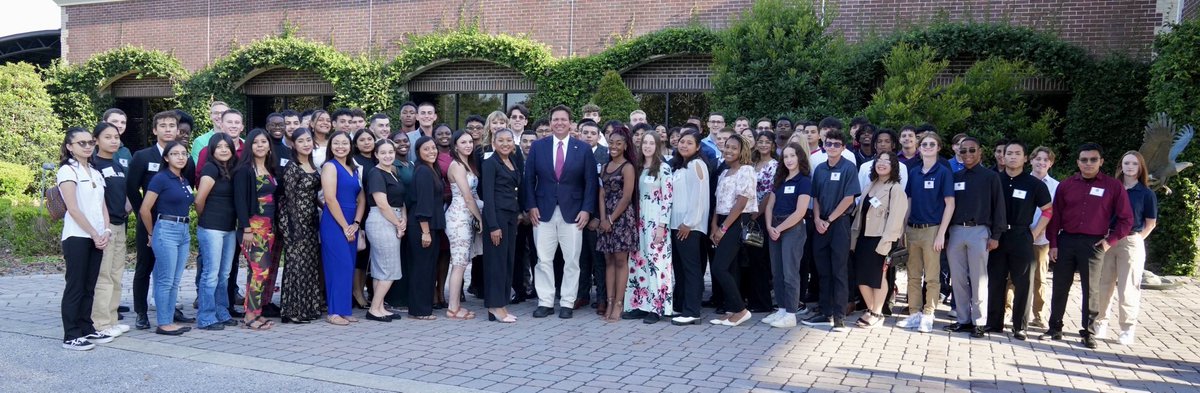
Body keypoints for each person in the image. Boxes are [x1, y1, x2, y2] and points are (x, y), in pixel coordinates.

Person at [1044, 142, 1135, 349]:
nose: (1088, 163)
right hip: (1066, 241)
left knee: (1091, 290)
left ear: (1101, 161)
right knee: (1059, 286)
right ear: (1078, 162)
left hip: (1094, 244)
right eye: (1084, 160)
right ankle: (1054, 327)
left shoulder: (1113, 186)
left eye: (1093, 159)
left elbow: (1126, 219)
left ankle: (1089, 332)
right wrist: (1053, 244)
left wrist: (1108, 242)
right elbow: (1055, 217)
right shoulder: (1066, 185)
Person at [523, 105, 600, 319]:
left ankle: (567, 302)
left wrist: (587, 210)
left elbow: (591, 183)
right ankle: (545, 302)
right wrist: (531, 206)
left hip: (574, 213)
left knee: (572, 260)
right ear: (550, 123)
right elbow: (528, 180)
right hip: (543, 212)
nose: (559, 123)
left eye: (563, 119)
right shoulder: (539, 147)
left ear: (570, 123)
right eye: (555, 119)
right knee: (543, 259)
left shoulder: (582, 148)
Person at [127, 111, 195, 330]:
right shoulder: (143, 156)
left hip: (176, 224)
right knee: (145, 267)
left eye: (172, 126)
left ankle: (169, 311)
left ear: (178, 130)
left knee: (170, 272)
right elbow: (131, 188)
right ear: (155, 130)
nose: (167, 129)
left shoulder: (186, 158)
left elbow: (187, 187)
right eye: (162, 125)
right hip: (150, 222)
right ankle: (141, 312)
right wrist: (144, 218)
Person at [984, 141, 1052, 340]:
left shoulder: (1035, 184)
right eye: (1009, 153)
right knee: (995, 280)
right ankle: (993, 323)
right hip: (997, 236)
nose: (1012, 157)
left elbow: (1048, 211)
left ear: (1025, 158)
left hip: (1022, 236)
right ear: (1002, 157)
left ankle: (1019, 327)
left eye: (1017, 153)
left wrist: (1034, 232)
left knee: (1024, 283)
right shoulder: (994, 179)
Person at [943, 137, 1006, 338]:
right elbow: (947, 206)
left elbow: (999, 207)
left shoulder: (990, 177)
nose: (968, 154)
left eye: (972, 150)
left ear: (980, 152)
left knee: (979, 278)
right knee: (958, 278)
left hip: (979, 231)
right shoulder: (955, 176)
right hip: (955, 232)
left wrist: (996, 234)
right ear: (958, 154)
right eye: (964, 151)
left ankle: (979, 322)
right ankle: (963, 320)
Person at [58, 127, 114, 350]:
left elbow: (102, 206)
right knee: (76, 285)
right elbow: (73, 208)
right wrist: (93, 232)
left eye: (90, 142)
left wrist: (106, 232)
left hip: (97, 236)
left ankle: (86, 328)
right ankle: (71, 334)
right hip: (78, 236)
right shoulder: (67, 171)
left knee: (90, 285)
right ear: (70, 147)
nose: (88, 146)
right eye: (81, 143)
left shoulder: (95, 171)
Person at [1093, 151, 1157, 345]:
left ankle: (1127, 328)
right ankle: (1100, 323)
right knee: (1103, 284)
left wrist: (1136, 240)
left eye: (1134, 164)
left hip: (1131, 242)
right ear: (1120, 166)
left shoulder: (1146, 194)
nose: (1130, 167)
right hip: (1108, 239)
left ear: (1140, 168)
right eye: (1126, 163)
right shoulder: (1111, 189)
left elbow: (1150, 223)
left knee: (1129, 287)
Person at [896, 132, 955, 333]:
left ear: (938, 148)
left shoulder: (944, 172)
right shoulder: (914, 172)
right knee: (913, 275)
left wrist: (941, 233)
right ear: (919, 149)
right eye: (924, 144)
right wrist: (903, 228)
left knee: (931, 277)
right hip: (913, 229)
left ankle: (928, 315)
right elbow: (909, 201)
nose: (928, 147)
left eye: (932, 144)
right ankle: (914, 314)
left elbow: (950, 204)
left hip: (933, 230)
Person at [801, 130, 859, 331]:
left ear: (843, 147)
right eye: (829, 143)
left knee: (839, 271)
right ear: (824, 146)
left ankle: (839, 317)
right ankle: (825, 313)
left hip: (839, 224)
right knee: (823, 271)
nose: (832, 147)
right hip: (820, 225)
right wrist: (817, 219)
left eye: (836, 144)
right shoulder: (820, 169)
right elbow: (815, 197)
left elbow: (849, 198)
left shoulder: (849, 168)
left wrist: (829, 219)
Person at [139, 141, 194, 336]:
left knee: (175, 279)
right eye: (175, 153)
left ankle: (169, 319)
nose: (180, 157)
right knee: (165, 279)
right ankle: (163, 323)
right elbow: (145, 209)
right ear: (166, 157)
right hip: (166, 230)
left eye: (183, 153)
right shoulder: (160, 178)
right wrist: (152, 233)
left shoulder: (184, 180)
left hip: (184, 230)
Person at [620, 132, 674, 324]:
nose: (648, 146)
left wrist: (662, 226)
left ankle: (656, 307)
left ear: (657, 146)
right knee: (638, 261)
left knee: (656, 264)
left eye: (652, 143)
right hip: (639, 222)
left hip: (656, 222)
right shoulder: (638, 168)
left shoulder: (664, 169)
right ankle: (639, 304)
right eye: (645, 143)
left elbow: (668, 200)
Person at [849, 151, 908, 328]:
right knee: (861, 277)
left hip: (881, 238)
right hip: (863, 237)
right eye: (879, 160)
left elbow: (896, 219)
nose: (881, 163)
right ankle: (871, 308)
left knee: (877, 276)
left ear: (893, 166)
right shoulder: (870, 185)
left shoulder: (895, 189)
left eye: (887, 161)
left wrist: (888, 241)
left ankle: (876, 312)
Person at [707, 134, 757, 326]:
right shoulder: (724, 173)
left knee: (719, 267)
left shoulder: (746, 171)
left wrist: (724, 228)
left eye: (733, 148)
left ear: (742, 151)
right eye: (727, 147)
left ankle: (742, 310)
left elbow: (741, 202)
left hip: (736, 221)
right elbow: (718, 202)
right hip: (721, 220)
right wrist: (714, 226)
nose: (728, 150)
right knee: (730, 267)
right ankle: (732, 310)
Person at [233, 129, 280, 330]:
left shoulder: (271, 169)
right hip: (252, 229)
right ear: (249, 146)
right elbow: (240, 201)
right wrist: (246, 228)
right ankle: (250, 316)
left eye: (264, 142)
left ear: (269, 145)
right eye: (255, 142)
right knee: (261, 271)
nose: (260, 145)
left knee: (258, 273)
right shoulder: (244, 170)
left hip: (269, 228)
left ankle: (255, 312)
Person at [762, 142, 812, 328]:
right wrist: (769, 226)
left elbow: (800, 212)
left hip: (792, 229)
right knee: (777, 272)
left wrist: (779, 228)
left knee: (790, 273)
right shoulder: (780, 179)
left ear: (800, 157)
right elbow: (769, 205)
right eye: (786, 156)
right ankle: (781, 310)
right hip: (774, 227)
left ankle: (791, 314)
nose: (789, 160)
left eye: (793, 156)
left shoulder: (804, 181)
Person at [193, 134, 240, 331]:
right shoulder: (210, 168)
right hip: (211, 228)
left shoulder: (231, 169)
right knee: (210, 274)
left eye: (226, 146)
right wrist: (208, 218)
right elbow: (199, 200)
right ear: (211, 150)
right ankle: (206, 316)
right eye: (218, 146)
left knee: (224, 274)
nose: (223, 149)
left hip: (229, 228)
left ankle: (222, 312)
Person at [319, 131, 366, 326]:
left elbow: (361, 198)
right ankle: (333, 312)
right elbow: (329, 198)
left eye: (344, 143)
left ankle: (344, 310)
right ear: (331, 146)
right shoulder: (330, 166)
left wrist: (355, 223)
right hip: (334, 222)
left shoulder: (353, 168)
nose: (340, 146)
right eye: (336, 143)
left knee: (348, 267)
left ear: (350, 146)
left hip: (351, 223)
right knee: (338, 266)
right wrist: (345, 225)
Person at [89, 122, 131, 339]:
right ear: (96, 140)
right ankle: (100, 323)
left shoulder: (118, 165)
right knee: (103, 276)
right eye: (108, 137)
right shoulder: (92, 165)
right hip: (103, 227)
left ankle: (112, 319)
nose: (114, 140)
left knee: (116, 275)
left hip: (120, 225)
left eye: (116, 137)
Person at [280, 128, 324, 324]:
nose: (306, 144)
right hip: (293, 221)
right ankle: (292, 310)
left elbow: (313, 196)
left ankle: (309, 307)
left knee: (310, 265)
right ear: (293, 144)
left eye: (308, 140)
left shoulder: (313, 165)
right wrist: (294, 227)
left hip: (311, 220)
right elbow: (287, 199)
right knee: (296, 265)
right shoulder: (292, 167)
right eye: (301, 141)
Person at [596, 126, 639, 322]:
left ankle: (619, 304)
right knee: (608, 261)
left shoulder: (628, 167)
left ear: (625, 146)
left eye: (618, 143)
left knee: (621, 261)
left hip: (622, 219)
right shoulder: (604, 167)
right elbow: (602, 193)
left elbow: (627, 196)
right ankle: (610, 300)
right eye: (611, 143)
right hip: (606, 220)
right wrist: (604, 219)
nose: (614, 146)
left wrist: (612, 219)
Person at [668, 131, 710, 326]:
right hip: (676, 225)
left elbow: (699, 195)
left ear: (698, 147)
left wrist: (689, 222)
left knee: (691, 269)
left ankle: (692, 311)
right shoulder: (679, 166)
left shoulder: (697, 164)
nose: (684, 145)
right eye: (682, 142)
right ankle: (681, 305)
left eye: (689, 143)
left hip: (689, 227)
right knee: (680, 269)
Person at [481, 128, 521, 323]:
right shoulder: (490, 164)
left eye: (509, 140)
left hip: (510, 218)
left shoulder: (512, 161)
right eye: (501, 140)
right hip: (496, 219)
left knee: (506, 262)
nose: (505, 144)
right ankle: (495, 306)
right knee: (496, 263)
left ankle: (501, 304)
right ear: (494, 143)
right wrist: (493, 226)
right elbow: (487, 197)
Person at [363, 139, 406, 322]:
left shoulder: (393, 173)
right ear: (376, 155)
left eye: (391, 152)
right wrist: (398, 223)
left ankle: (380, 306)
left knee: (381, 267)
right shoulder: (376, 173)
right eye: (383, 152)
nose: (388, 155)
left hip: (393, 219)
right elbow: (382, 204)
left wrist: (402, 220)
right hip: (382, 220)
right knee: (389, 267)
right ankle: (374, 309)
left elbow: (400, 201)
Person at [443, 131, 484, 320]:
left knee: (462, 262)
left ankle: (455, 305)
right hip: (458, 218)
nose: (468, 145)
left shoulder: (468, 163)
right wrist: (480, 218)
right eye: (463, 142)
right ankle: (453, 307)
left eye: (470, 142)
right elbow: (467, 197)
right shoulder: (456, 165)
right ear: (455, 145)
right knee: (459, 263)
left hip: (467, 216)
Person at [408, 136, 445, 320]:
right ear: (418, 153)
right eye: (426, 149)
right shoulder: (422, 171)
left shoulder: (433, 169)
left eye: (433, 148)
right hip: (423, 227)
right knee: (422, 268)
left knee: (428, 268)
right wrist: (425, 232)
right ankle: (419, 310)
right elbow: (422, 204)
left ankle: (423, 307)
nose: (431, 151)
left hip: (433, 227)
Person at [744, 130, 778, 313]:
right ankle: (751, 299)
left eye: (767, 142)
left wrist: (758, 212)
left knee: (760, 260)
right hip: (747, 214)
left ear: (772, 145)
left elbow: (771, 191)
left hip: (762, 217)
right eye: (760, 141)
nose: (764, 144)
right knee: (749, 259)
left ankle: (763, 302)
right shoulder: (752, 163)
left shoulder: (775, 165)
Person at [580, 120, 610, 314]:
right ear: (580, 134)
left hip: (596, 217)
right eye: (586, 132)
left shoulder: (605, 156)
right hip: (575, 215)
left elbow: (606, 190)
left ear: (598, 136)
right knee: (580, 259)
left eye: (593, 133)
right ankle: (581, 295)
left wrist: (598, 217)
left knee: (598, 260)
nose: (589, 136)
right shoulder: (573, 152)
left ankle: (602, 298)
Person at [1028, 146, 1059, 328]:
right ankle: (1008, 310)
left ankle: (1038, 315)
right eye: (1038, 159)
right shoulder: (1021, 181)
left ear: (1051, 163)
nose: (1041, 162)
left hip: (1042, 239)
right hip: (1020, 236)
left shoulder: (1056, 186)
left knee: (1040, 277)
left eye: (1045, 160)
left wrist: (1039, 232)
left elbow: (1054, 213)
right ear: (1031, 160)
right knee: (1013, 277)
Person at [350, 129, 377, 309]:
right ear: (356, 143)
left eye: (369, 139)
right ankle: (356, 292)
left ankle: (362, 290)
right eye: (362, 140)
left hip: (376, 213)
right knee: (358, 254)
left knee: (367, 255)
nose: (366, 142)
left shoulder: (378, 159)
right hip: (359, 212)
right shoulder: (354, 161)